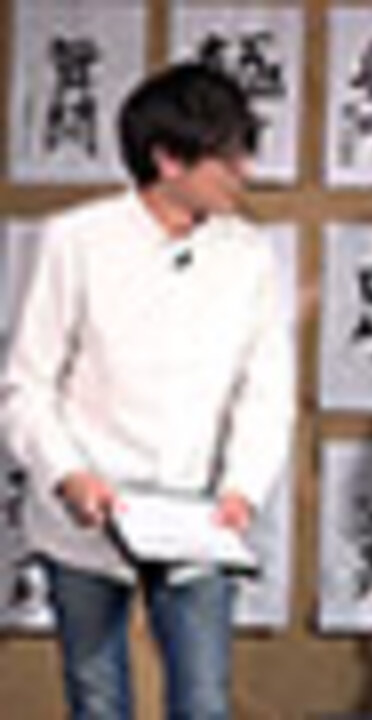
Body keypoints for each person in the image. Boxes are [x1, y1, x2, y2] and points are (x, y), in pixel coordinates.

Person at [0, 63, 294, 719]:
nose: (244, 172)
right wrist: (69, 476)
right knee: (98, 701)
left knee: (204, 702)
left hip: (197, 518)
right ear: (167, 159)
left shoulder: (247, 254)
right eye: (227, 157)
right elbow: (26, 386)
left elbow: (265, 390)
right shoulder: (76, 241)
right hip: (88, 513)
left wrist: (243, 488)